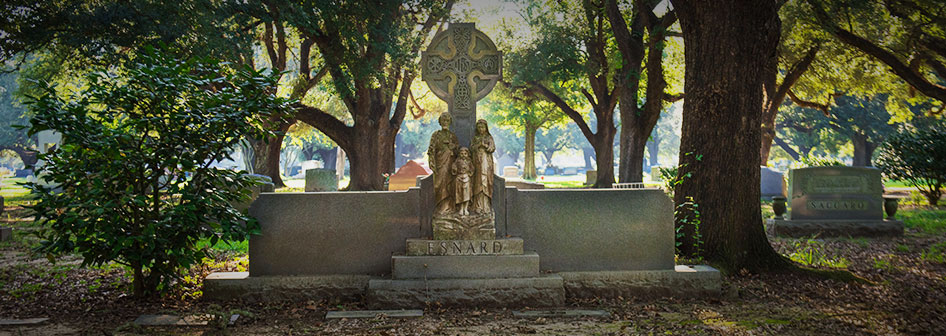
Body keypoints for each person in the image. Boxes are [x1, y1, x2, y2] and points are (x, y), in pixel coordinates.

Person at [427, 113, 459, 214]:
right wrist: (432, 162)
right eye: (443, 121)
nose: (445, 123)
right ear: (440, 122)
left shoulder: (452, 136)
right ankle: (440, 206)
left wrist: (453, 147)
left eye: (447, 121)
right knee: (439, 184)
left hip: (449, 163)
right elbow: (431, 149)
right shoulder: (436, 135)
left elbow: (458, 151)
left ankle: (448, 207)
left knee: (449, 184)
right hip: (440, 163)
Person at [471, 119, 495, 214]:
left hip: (486, 163)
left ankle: (486, 206)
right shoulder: (475, 138)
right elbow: (471, 148)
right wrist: (477, 145)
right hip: (477, 162)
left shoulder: (489, 137)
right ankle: (478, 206)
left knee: (485, 181)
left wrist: (484, 145)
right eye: (479, 127)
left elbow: (492, 148)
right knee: (478, 181)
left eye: (482, 127)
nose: (481, 129)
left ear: (486, 128)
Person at [452, 148, 473, 216]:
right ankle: (461, 208)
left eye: (465, 154)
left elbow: (472, 169)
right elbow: (453, 168)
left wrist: (469, 173)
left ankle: (466, 208)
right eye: (462, 154)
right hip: (459, 178)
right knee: (460, 194)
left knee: (466, 194)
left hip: (466, 178)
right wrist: (455, 169)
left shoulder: (469, 162)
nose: (463, 155)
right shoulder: (457, 161)